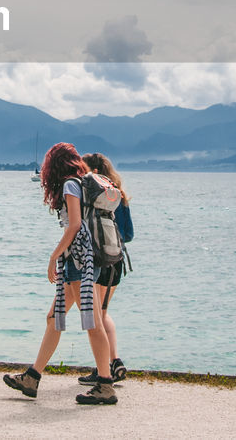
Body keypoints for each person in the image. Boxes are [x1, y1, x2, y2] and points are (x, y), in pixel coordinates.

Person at [3, 142, 117, 405]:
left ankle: (105, 385)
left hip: (79, 260)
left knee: (92, 322)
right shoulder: (79, 182)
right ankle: (32, 378)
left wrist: (54, 256)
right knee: (55, 316)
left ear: (53, 165)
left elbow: (75, 225)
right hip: (84, 258)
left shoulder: (69, 185)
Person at [79, 152, 132, 385]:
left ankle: (107, 368)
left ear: (95, 172)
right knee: (102, 313)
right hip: (118, 261)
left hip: (100, 260)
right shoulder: (118, 195)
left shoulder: (95, 195)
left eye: (84, 170)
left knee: (97, 317)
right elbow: (129, 234)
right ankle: (113, 362)